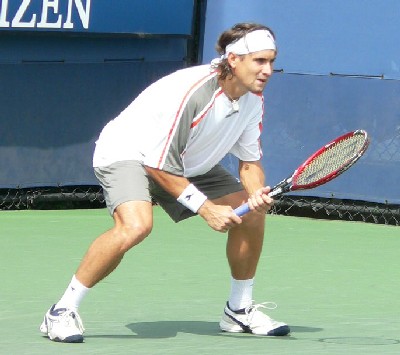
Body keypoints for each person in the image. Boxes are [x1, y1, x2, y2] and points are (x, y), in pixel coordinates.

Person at [39, 22, 290, 343]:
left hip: (187, 161)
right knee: (136, 225)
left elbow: (249, 163)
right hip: (130, 153)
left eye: (271, 61)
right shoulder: (193, 94)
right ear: (233, 59)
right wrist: (206, 208)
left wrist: (255, 194)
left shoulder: (252, 100)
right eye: (260, 61)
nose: (268, 70)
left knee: (252, 214)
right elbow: (158, 166)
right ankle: (61, 311)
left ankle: (238, 311)